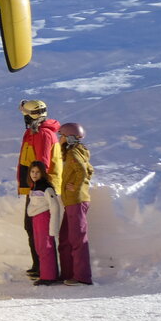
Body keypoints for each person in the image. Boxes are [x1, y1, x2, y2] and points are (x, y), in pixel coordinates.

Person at [17, 100, 62, 277]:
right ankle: (38, 265)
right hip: (34, 187)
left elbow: (42, 163)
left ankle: (44, 268)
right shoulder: (33, 132)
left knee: (37, 229)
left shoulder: (43, 134)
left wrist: (38, 188)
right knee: (30, 227)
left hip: (41, 189)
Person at [58, 122, 95, 285]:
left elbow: (83, 170)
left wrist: (76, 188)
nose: (60, 139)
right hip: (72, 201)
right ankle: (68, 273)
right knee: (65, 238)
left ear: (70, 138)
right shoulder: (77, 152)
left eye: (62, 136)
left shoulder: (73, 153)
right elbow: (90, 170)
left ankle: (82, 277)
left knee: (77, 239)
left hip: (76, 201)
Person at [27, 160, 63, 285]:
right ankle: (45, 273)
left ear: (43, 173)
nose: (34, 174)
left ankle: (49, 276)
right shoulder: (35, 186)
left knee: (45, 246)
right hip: (36, 218)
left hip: (44, 218)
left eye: (37, 172)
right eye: (32, 171)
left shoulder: (46, 187)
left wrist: (53, 228)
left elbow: (54, 206)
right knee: (39, 246)